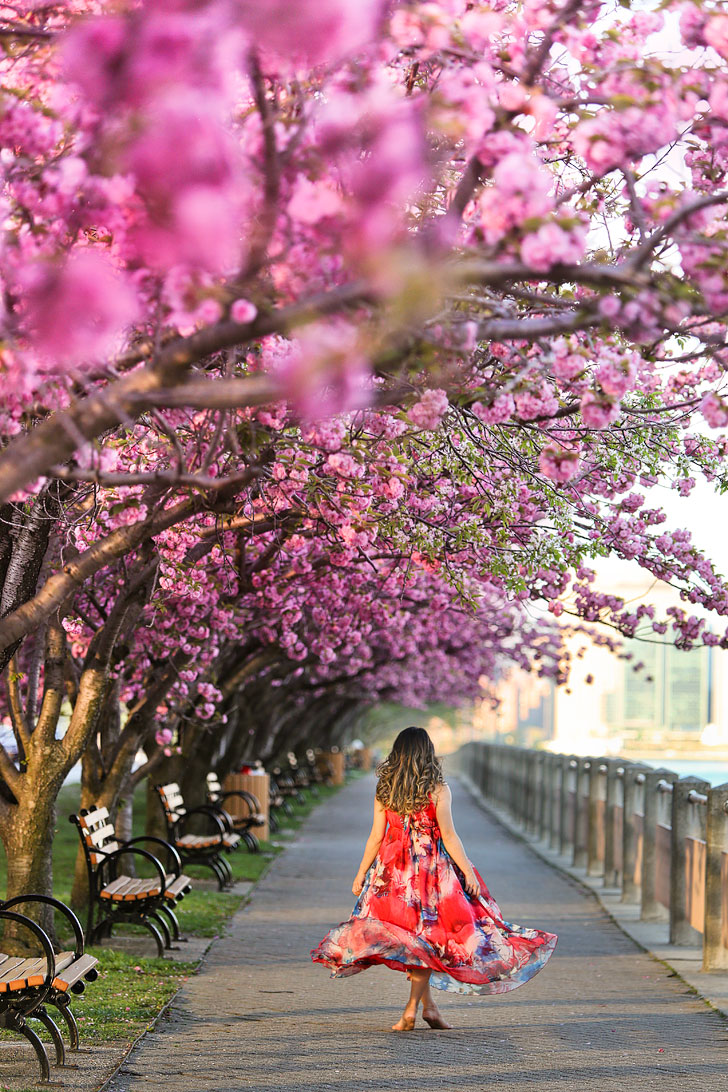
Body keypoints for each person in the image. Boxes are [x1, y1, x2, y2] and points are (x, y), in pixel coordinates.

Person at [310, 726, 557, 1031]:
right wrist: (467, 872)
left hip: (394, 875)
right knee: (425, 941)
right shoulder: (438, 789)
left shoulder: (385, 789)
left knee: (416, 942)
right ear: (427, 753)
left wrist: (362, 872)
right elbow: (450, 837)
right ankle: (411, 1010)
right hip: (432, 871)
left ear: (397, 754)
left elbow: (376, 837)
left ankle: (430, 1009)